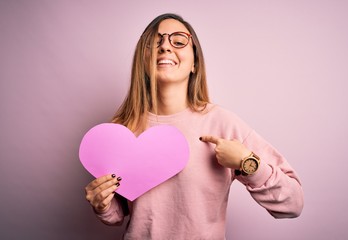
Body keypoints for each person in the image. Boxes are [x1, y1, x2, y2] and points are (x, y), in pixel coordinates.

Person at [84, 13, 304, 239]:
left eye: (178, 41)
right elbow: (118, 214)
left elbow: (293, 203)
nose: (165, 47)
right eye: (155, 42)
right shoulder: (121, 131)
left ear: (195, 64)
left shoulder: (222, 124)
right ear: (143, 60)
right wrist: (103, 205)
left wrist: (247, 162)